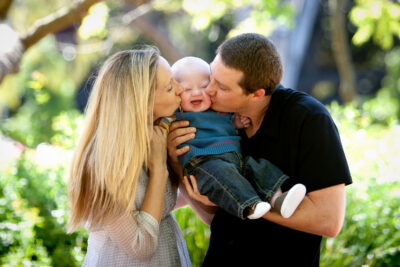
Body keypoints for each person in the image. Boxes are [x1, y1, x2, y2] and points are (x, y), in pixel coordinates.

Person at [167, 33, 352, 266]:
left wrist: (250, 204)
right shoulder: (215, 116)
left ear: (257, 94)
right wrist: (178, 165)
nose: (208, 90)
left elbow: (329, 220)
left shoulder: (307, 118)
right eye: (212, 76)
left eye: (221, 87)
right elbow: (215, 218)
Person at [67, 47, 192, 266]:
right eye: (170, 87)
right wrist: (159, 170)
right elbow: (140, 245)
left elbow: (172, 201)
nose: (181, 90)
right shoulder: (100, 168)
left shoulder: (156, 137)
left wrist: (172, 159)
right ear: (141, 104)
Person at [170, 56, 306, 220]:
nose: (197, 92)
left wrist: (237, 122)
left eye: (204, 86)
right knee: (225, 176)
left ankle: (278, 199)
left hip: (235, 158)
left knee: (260, 168)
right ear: (176, 94)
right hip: (205, 163)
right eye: (187, 90)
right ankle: (249, 205)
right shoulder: (179, 116)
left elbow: (228, 123)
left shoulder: (220, 109)